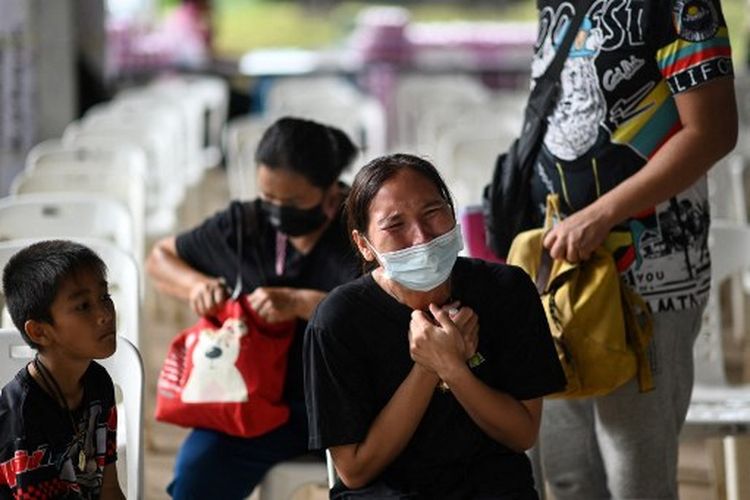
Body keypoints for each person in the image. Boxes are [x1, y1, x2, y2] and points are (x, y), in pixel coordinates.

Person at [525, 1, 738, 498]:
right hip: (560, 271)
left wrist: (601, 214)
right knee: (567, 470)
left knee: (636, 474)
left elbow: (713, 132)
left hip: (650, 276)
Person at [304, 153, 567, 499]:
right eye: (394, 225)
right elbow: (354, 471)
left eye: (432, 212)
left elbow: (521, 435)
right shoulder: (338, 320)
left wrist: (454, 371)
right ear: (363, 245)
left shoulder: (507, 290)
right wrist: (428, 367)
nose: (421, 238)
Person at [147, 116, 362, 499]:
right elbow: (160, 258)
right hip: (251, 404)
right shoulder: (246, 226)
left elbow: (385, 313)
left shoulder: (361, 229)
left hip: (347, 407)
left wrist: (303, 304)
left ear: (331, 191)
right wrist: (197, 285)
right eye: (269, 198)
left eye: (293, 202)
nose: (278, 211)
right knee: (198, 475)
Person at [0, 240, 124, 500]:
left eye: (105, 297)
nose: (105, 314)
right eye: (83, 306)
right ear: (39, 331)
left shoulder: (98, 383)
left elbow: (109, 490)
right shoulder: (21, 418)